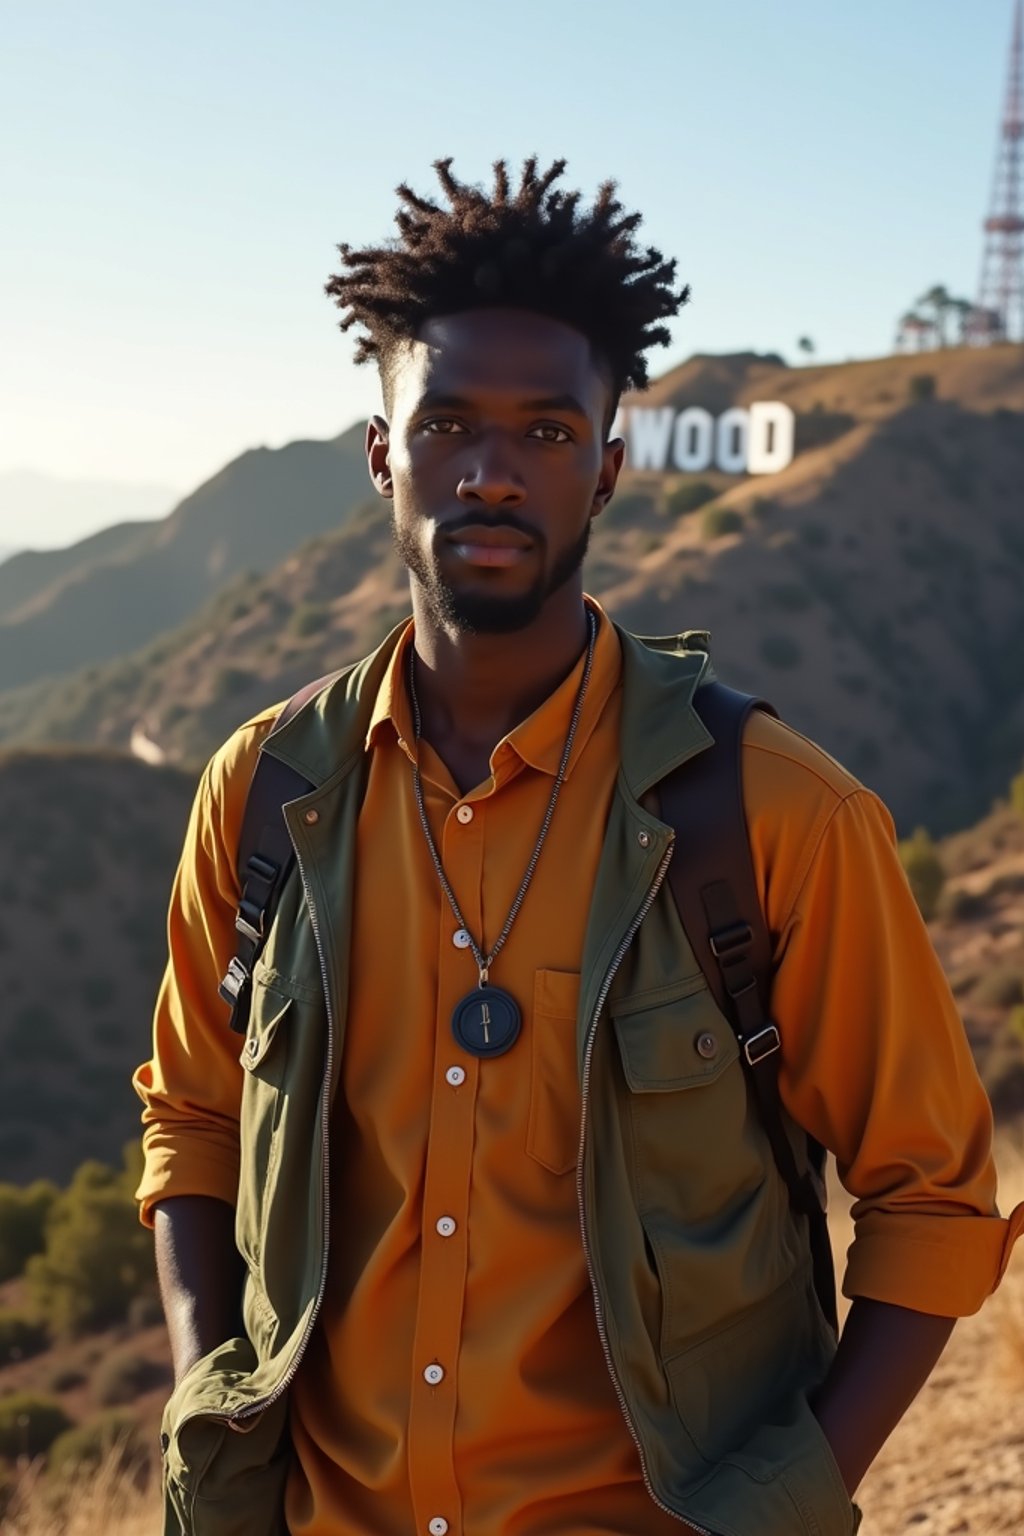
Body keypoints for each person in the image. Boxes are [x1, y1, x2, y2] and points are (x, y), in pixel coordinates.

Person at [133, 157, 1022, 1536]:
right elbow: (190, 1123)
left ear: (609, 467)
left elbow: (936, 1202)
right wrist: (210, 1412)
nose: (492, 472)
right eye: (449, 426)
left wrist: (780, 1504)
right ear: (382, 452)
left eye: (548, 433)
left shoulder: (773, 812)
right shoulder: (261, 795)